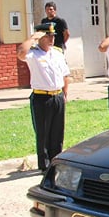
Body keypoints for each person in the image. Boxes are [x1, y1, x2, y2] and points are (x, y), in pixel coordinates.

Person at [17, 22, 71, 171]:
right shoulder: (33, 53)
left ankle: (56, 162)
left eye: (52, 36)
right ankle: (45, 166)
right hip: (42, 98)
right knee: (43, 134)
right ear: (40, 37)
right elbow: (20, 52)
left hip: (57, 96)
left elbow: (66, 74)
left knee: (57, 133)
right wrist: (33, 37)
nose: (51, 39)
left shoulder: (58, 53)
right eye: (47, 36)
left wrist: (64, 94)